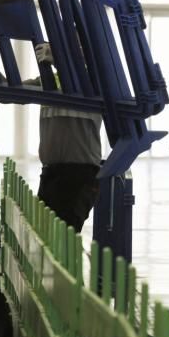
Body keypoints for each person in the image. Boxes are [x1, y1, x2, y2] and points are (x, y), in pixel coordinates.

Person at [31, 42, 104, 232]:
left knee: (63, 237)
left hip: (80, 175)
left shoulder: (93, 82)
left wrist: (60, 62)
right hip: (51, 172)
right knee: (45, 236)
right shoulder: (48, 82)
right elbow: (7, 92)